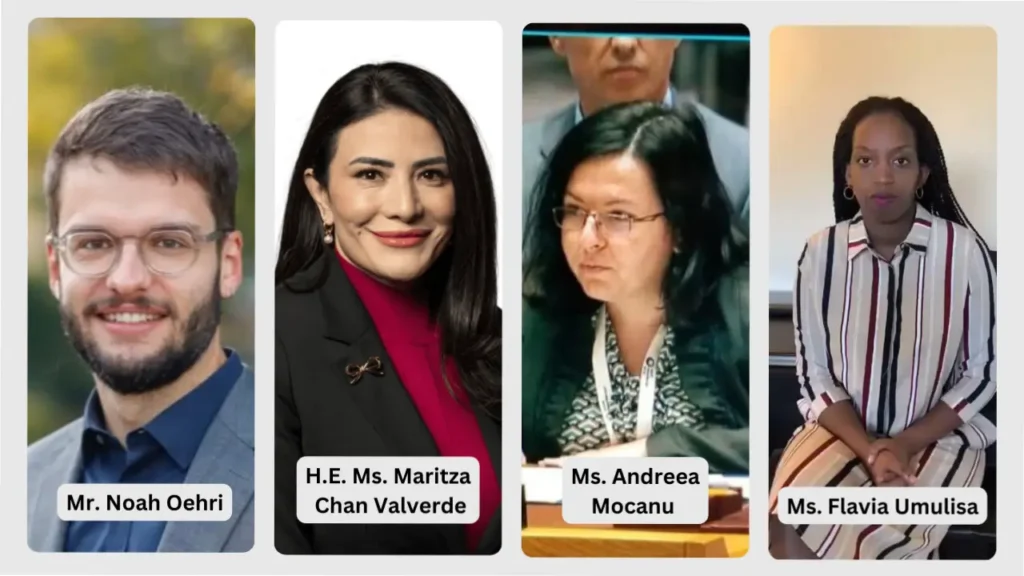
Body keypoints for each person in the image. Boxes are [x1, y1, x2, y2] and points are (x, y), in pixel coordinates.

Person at [275, 62, 502, 555]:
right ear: (321, 195)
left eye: (432, 175)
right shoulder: (280, 340)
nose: (405, 205)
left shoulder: (500, 338)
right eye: (371, 175)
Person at [26, 88, 254, 553]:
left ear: (228, 264)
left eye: (168, 242)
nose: (127, 280)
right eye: (94, 243)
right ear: (55, 267)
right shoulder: (21, 488)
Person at [768, 96, 996, 560]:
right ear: (848, 174)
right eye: (866, 160)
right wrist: (871, 449)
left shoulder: (966, 253)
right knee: (785, 514)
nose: (884, 176)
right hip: (841, 432)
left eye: (901, 160)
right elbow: (815, 376)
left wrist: (905, 444)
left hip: (937, 436)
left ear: (922, 174)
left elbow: (983, 371)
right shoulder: (819, 254)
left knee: (879, 535)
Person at [521, 101, 749, 474]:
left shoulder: (740, 308)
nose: (588, 239)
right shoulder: (536, 314)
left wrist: (648, 455)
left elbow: (772, 443)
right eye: (575, 212)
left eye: (618, 217)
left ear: (679, 228)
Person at [523, 33, 750, 230]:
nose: (624, 43)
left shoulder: (748, 169)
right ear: (556, 35)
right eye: (601, 19)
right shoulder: (509, 164)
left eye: (645, 13)